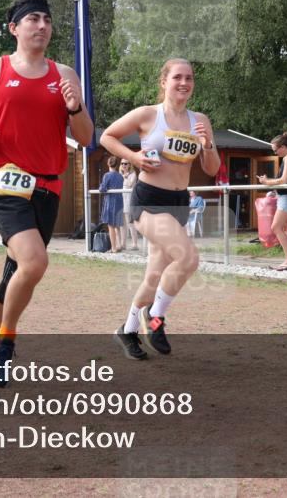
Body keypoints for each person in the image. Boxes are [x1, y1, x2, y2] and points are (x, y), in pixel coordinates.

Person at [0, 0, 94, 387]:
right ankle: (4, 347)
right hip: (4, 183)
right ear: (14, 28)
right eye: (33, 19)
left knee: (15, 273)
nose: (42, 25)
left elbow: (85, 137)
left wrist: (76, 109)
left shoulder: (64, 74)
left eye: (47, 19)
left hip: (48, 188)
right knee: (34, 263)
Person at [100, 58, 220, 360]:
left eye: (189, 78)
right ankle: (155, 319)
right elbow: (106, 137)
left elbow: (212, 168)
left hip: (179, 203)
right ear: (163, 82)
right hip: (149, 200)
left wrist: (207, 145)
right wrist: (134, 158)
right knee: (189, 258)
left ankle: (126, 331)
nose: (184, 83)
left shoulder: (200, 120)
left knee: (154, 277)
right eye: (177, 77)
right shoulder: (147, 115)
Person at [257, 131, 287, 271]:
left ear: (283, 147)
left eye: (275, 151)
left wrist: (267, 182)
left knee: (276, 227)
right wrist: (270, 183)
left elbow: (283, 180)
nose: (275, 153)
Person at [99, 155, 125, 252]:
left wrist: (102, 187)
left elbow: (102, 188)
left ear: (108, 164)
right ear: (117, 164)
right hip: (119, 201)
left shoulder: (107, 175)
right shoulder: (120, 176)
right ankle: (119, 245)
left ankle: (113, 248)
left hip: (110, 202)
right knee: (117, 225)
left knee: (111, 226)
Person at [120, 159, 140, 250]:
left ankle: (135, 244)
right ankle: (123, 244)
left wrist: (125, 177)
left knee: (130, 222)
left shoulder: (133, 174)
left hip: (129, 200)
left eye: (125, 163)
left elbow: (130, 185)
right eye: (122, 163)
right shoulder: (120, 174)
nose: (123, 165)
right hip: (121, 199)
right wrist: (123, 176)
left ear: (129, 165)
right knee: (122, 223)